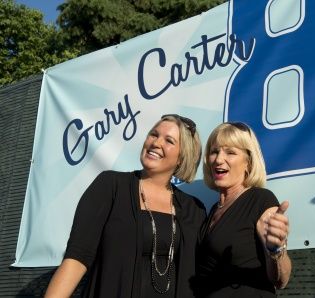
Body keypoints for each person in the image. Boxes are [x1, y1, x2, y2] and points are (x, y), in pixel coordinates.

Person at [45, 114, 206, 298]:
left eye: (169, 140)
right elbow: (77, 257)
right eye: (153, 134)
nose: (156, 143)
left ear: (182, 157)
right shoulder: (110, 186)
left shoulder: (194, 210)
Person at [194, 122, 292, 297]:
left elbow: (281, 280)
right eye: (214, 151)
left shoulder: (261, 199)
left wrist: (276, 250)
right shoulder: (213, 210)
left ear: (248, 162)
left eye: (230, 152)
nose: (218, 159)